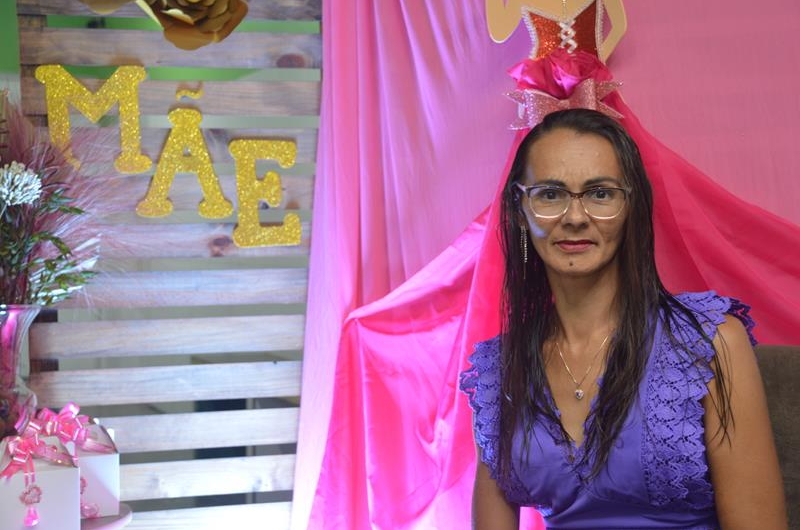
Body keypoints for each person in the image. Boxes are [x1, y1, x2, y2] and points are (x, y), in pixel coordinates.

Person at [460, 107, 788, 529]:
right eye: (550, 194)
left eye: (600, 193)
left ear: (631, 206)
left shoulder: (711, 341)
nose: (575, 217)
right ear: (520, 210)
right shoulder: (498, 369)